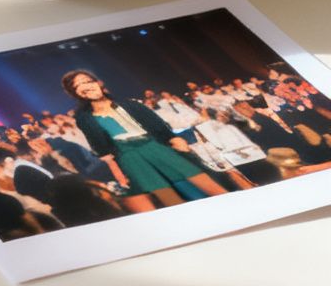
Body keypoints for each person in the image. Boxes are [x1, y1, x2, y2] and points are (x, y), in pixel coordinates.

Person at [67, 69, 230, 211]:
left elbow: (158, 124)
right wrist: (118, 171)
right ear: (75, 93)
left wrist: (173, 138)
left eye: (88, 81)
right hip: (128, 156)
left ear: (98, 83)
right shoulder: (84, 118)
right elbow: (101, 149)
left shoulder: (129, 104)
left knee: (199, 178)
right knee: (171, 199)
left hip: (153, 144)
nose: (86, 85)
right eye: (79, 84)